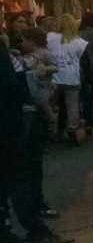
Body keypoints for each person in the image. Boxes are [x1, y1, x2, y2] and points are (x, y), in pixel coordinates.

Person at [0, 32, 75, 243]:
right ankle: (36, 229)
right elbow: (9, 84)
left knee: (8, 178)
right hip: (10, 123)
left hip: (9, 121)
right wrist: (26, 86)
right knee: (21, 177)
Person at [15, 28, 60, 219]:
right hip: (27, 109)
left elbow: (53, 67)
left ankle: (34, 203)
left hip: (36, 102)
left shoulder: (38, 55)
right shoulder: (18, 56)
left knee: (32, 163)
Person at [48, 14, 89, 145]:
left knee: (52, 106)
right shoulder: (80, 42)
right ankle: (72, 130)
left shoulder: (50, 37)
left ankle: (54, 132)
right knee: (72, 106)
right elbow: (84, 61)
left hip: (53, 77)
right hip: (72, 78)